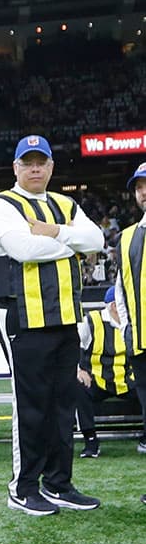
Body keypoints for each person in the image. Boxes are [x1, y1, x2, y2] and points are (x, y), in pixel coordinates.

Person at [0, 135, 104, 516]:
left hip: (65, 314)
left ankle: (58, 483)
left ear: (51, 167)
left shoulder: (66, 204)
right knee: (31, 403)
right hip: (22, 314)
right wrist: (73, 242)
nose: (35, 168)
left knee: (62, 402)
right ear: (16, 168)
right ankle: (23, 487)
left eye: (42, 162)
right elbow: (24, 250)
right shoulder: (2, 205)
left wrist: (53, 232)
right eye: (28, 162)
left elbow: (97, 240)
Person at [75, 286, 135, 459]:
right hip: (97, 379)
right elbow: (72, 346)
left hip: (126, 379)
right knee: (77, 386)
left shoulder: (134, 321)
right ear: (115, 306)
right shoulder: (92, 321)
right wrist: (78, 370)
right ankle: (91, 441)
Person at [114, 160, 146, 461]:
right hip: (140, 340)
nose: (143, 191)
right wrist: (126, 326)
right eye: (139, 186)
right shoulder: (125, 237)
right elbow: (121, 289)